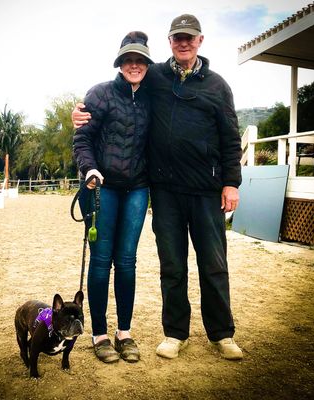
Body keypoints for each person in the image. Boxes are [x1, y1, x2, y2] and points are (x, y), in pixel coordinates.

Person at [72, 14, 244, 361]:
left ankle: (222, 335)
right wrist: (78, 114)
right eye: (177, 37)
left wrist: (231, 183)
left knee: (213, 264)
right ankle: (175, 333)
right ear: (169, 42)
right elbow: (107, 102)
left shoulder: (217, 85)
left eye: (189, 37)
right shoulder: (156, 77)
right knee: (172, 265)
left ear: (200, 41)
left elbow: (230, 138)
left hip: (206, 190)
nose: (184, 42)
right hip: (164, 190)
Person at [73, 31, 154, 363]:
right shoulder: (100, 94)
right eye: (128, 60)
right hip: (100, 189)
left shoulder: (155, 96)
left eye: (140, 60)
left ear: (147, 64)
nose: (134, 65)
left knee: (127, 262)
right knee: (101, 262)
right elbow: (82, 138)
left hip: (137, 190)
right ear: (120, 63)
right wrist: (90, 169)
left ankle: (124, 332)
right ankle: (100, 334)